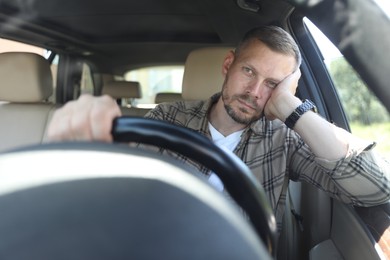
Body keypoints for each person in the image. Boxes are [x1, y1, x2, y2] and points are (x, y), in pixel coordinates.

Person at [47, 26, 390, 232]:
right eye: (249, 72)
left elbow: (375, 190)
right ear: (228, 65)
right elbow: (102, 186)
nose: (255, 92)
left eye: (273, 84)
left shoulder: (284, 139)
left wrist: (292, 108)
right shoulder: (167, 119)